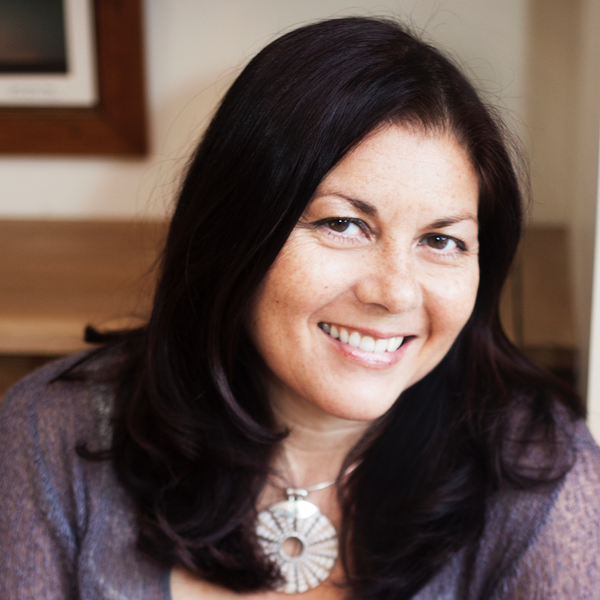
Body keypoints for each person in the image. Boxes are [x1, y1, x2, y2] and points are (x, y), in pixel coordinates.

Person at [1, 16, 599, 600]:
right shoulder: (49, 436)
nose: (395, 293)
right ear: (236, 229)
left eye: (441, 240)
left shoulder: (543, 475)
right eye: (343, 224)